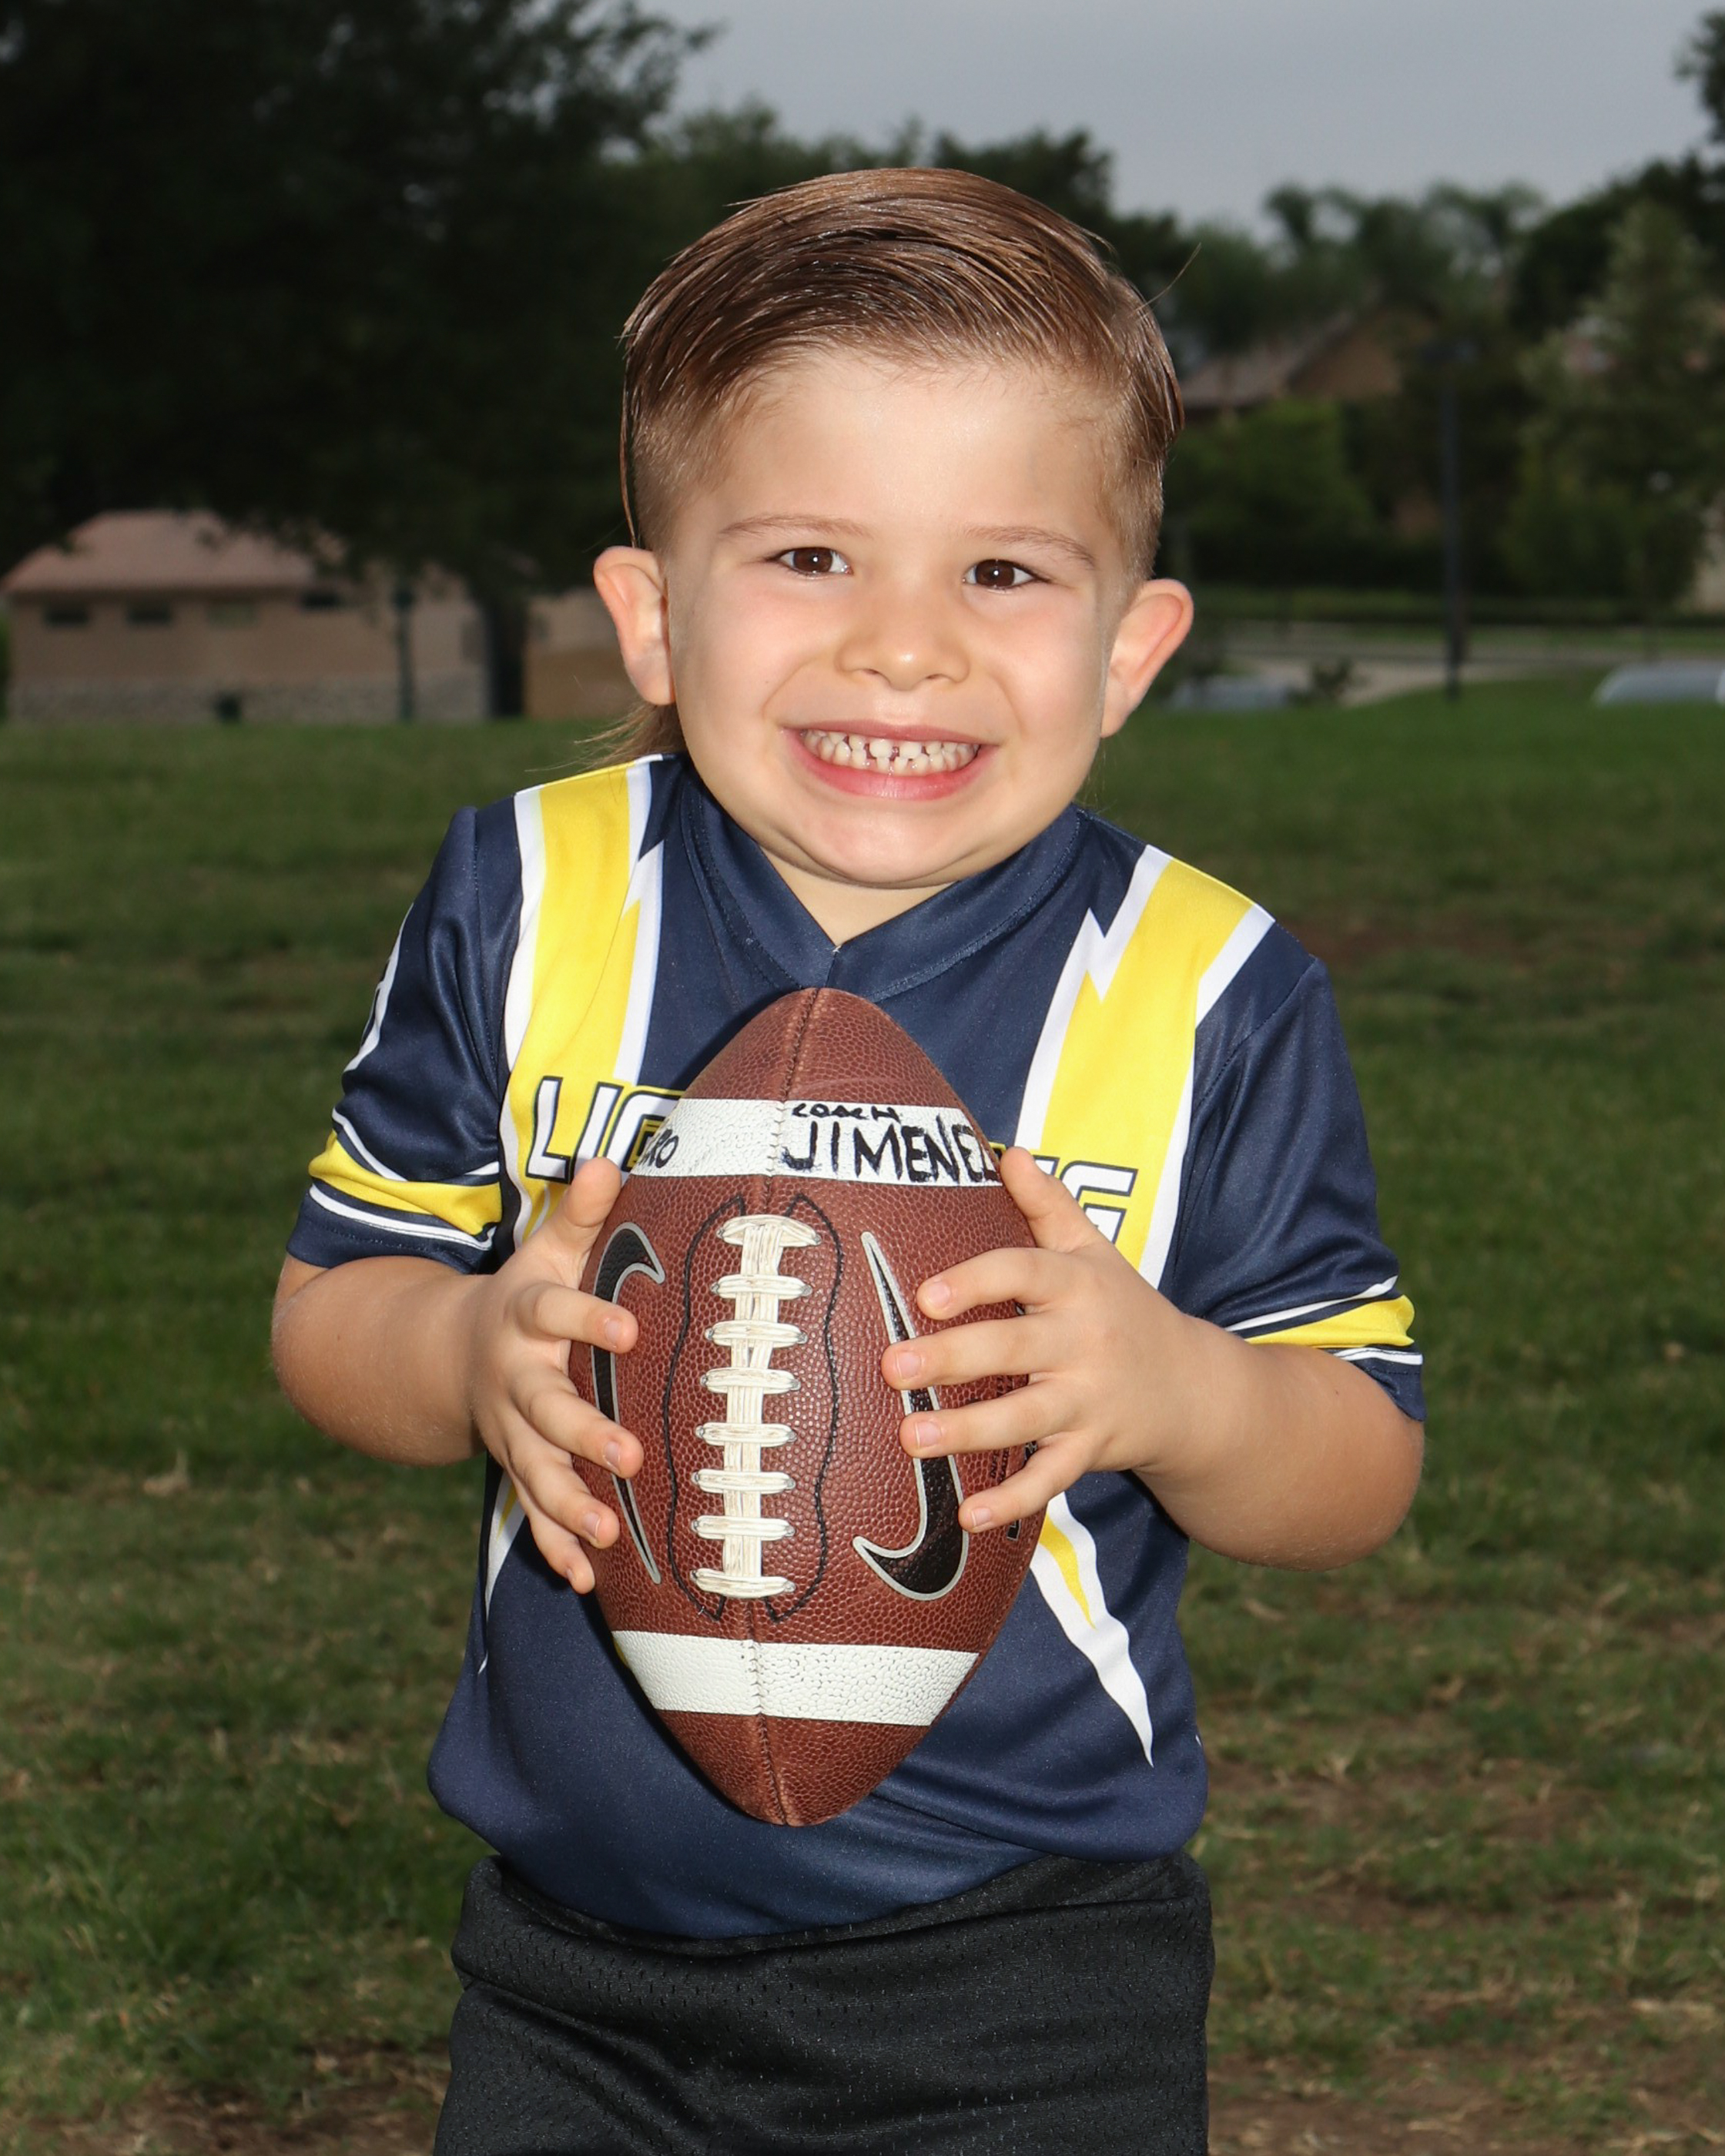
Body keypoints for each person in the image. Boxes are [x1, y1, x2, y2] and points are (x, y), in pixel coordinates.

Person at [272, 167, 1424, 2155]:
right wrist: (462, 1355)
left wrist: (1176, 1388)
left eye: (1006, 574)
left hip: (1022, 1975)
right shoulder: (526, 897)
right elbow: (329, 1311)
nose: (905, 650)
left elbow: (1359, 1461)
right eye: (811, 555)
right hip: (570, 1961)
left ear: (1132, 645)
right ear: (653, 612)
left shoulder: (1208, 988)